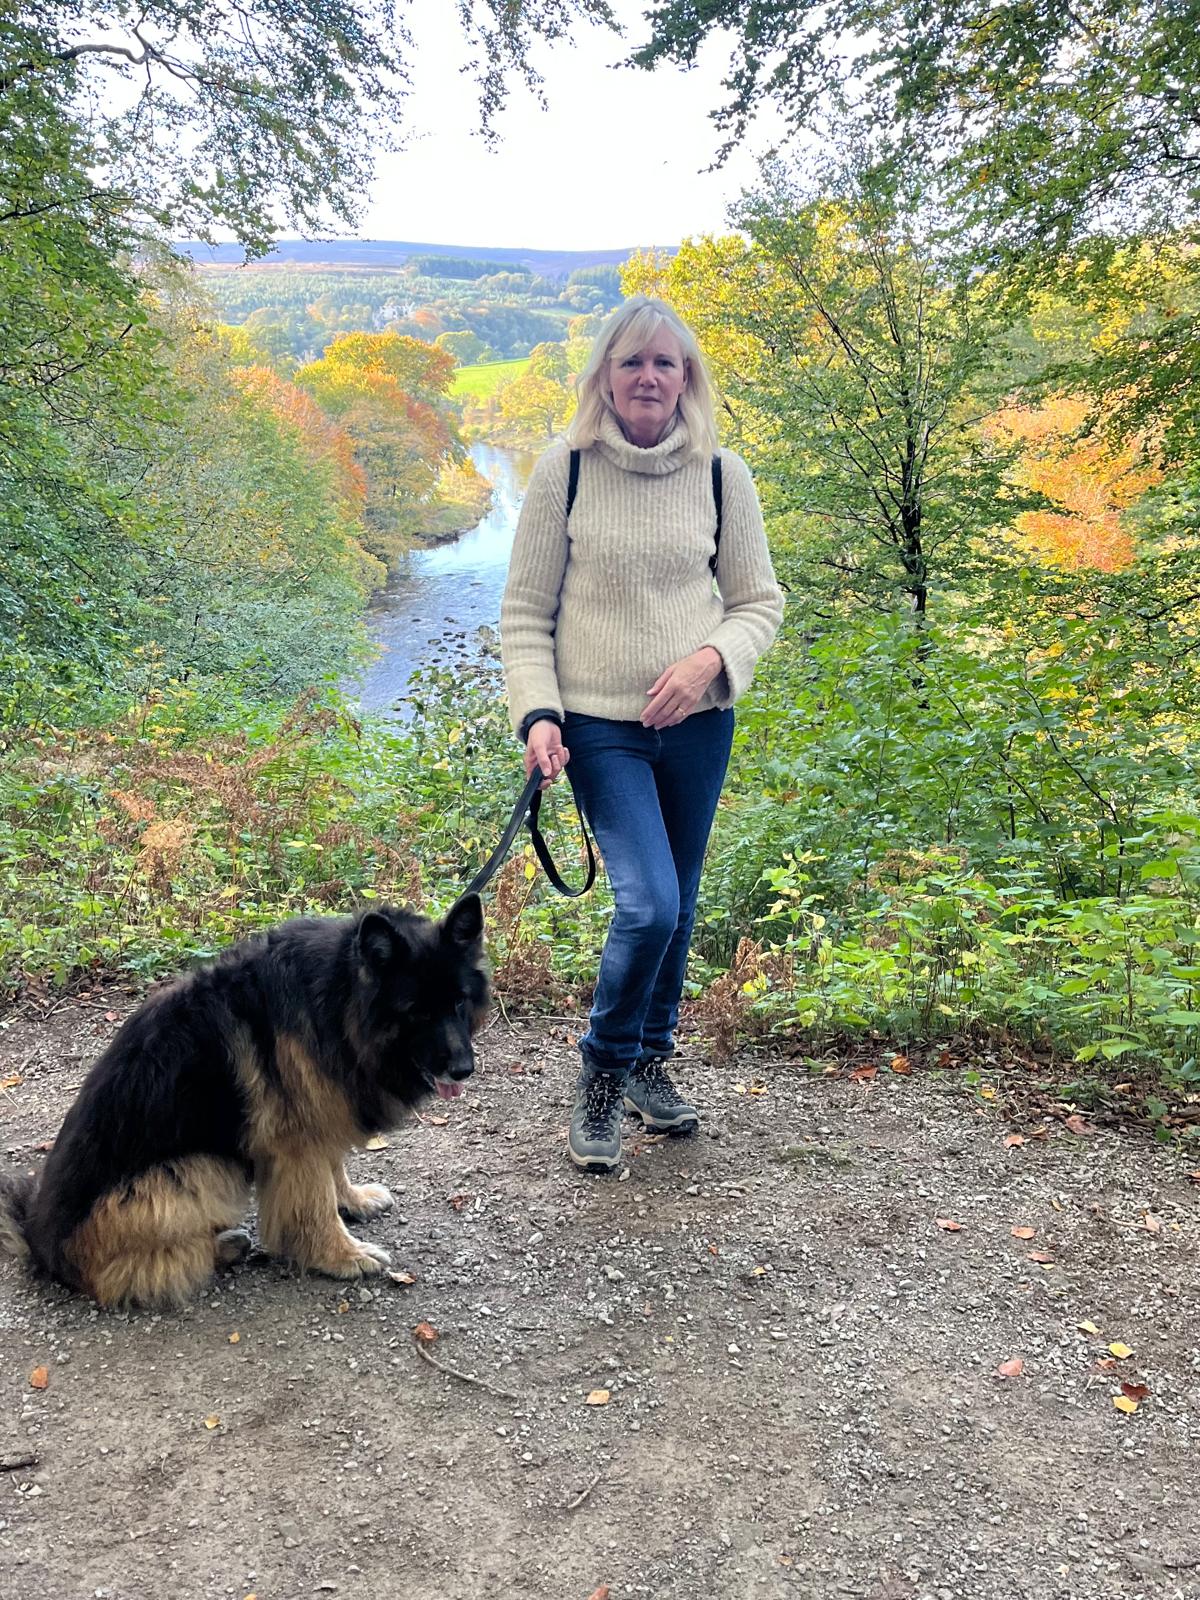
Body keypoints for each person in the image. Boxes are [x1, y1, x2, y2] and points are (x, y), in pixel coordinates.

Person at [500, 296, 783, 1172]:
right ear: (605, 377)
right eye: (632, 362)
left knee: (682, 901)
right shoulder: (565, 471)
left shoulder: (723, 475)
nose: (649, 377)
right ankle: (602, 1069)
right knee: (649, 902)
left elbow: (759, 603)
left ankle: (649, 1063)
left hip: (699, 727)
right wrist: (539, 713)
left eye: (666, 362)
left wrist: (708, 662)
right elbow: (524, 613)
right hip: (599, 726)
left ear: (687, 377)